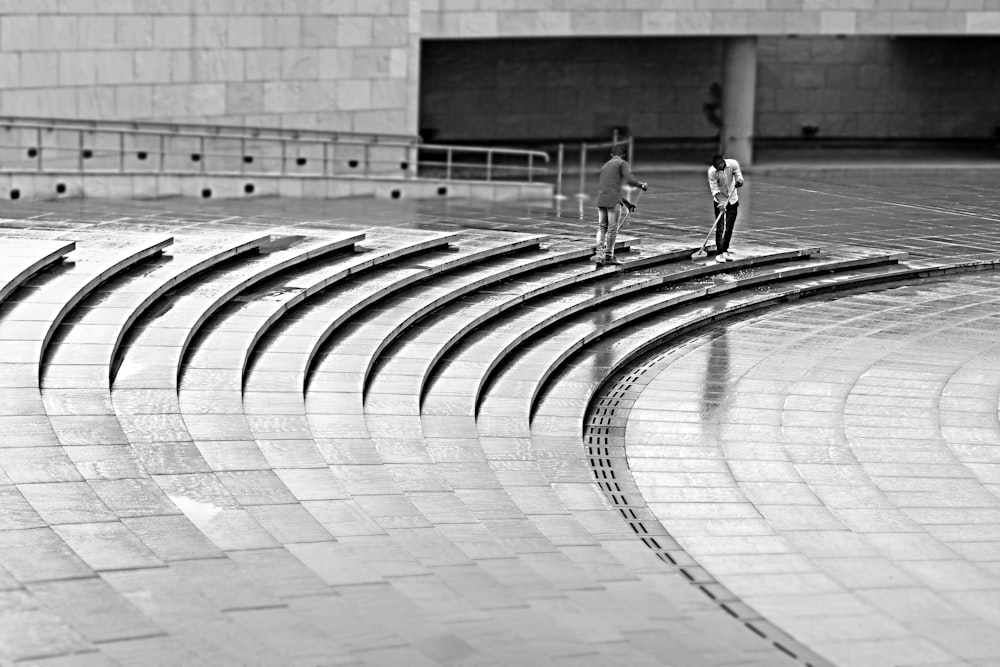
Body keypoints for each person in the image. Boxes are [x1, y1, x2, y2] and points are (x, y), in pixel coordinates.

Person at [594, 144, 647, 266]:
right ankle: (609, 256)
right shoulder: (622, 163)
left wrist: (627, 204)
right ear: (623, 155)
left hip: (601, 200)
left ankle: (599, 255)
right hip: (613, 202)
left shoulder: (605, 166)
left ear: (611, 155)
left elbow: (610, 188)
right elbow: (630, 180)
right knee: (612, 229)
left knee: (602, 227)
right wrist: (642, 185)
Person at [707, 153, 744, 263]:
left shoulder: (733, 164)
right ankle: (719, 253)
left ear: (723, 161)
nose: (719, 166)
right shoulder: (712, 172)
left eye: (720, 164)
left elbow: (739, 177)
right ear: (714, 166)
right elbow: (714, 189)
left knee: (729, 227)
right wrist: (721, 203)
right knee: (720, 227)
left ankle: (725, 250)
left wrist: (739, 182)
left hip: (733, 199)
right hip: (720, 201)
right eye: (716, 165)